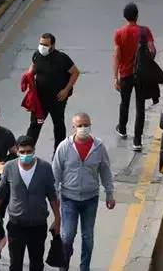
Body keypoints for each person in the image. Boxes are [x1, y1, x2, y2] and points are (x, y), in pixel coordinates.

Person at [52, 112, 116, 271]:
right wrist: (55, 198)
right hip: (69, 199)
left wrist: (109, 193)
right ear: (73, 127)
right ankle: (64, 266)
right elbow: (56, 172)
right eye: (79, 126)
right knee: (67, 237)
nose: (83, 128)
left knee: (88, 237)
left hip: (90, 199)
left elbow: (105, 171)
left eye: (86, 125)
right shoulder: (64, 147)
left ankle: (84, 267)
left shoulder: (99, 147)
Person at [0, 135, 61, 271]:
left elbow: (52, 195)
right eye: (22, 152)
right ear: (17, 151)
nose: (25, 155)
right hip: (16, 226)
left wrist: (58, 219)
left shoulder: (45, 168)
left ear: (34, 150)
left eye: (29, 151)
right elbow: (0, 194)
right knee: (15, 264)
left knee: (37, 264)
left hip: (38, 225)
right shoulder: (9, 168)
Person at [26, 33, 80, 153]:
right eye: (40, 44)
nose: (42, 47)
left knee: (58, 125)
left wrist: (66, 90)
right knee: (35, 125)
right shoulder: (37, 55)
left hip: (57, 99)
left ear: (52, 45)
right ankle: (27, 150)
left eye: (45, 44)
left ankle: (59, 153)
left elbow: (75, 72)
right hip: (40, 100)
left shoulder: (62, 58)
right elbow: (34, 66)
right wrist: (29, 74)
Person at [112, 3, 156, 151]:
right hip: (141, 75)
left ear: (125, 16)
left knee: (124, 102)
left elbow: (117, 56)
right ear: (137, 15)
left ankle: (122, 128)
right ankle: (137, 141)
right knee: (140, 107)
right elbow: (152, 50)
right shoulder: (145, 31)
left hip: (125, 74)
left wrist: (115, 77)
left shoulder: (119, 33)